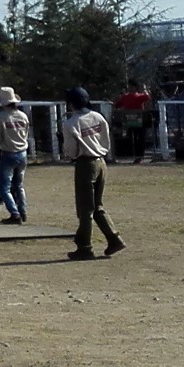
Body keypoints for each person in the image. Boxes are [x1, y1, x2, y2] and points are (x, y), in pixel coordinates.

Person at [61, 86, 125, 261]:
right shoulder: (98, 117)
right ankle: (114, 238)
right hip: (101, 161)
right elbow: (106, 139)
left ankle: (85, 247)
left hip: (85, 164)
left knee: (85, 209)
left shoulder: (70, 123)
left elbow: (72, 151)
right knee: (97, 206)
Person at [0, 88, 31, 224]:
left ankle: (14, 214)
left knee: (3, 186)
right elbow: (26, 133)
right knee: (19, 185)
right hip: (22, 153)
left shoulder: (0, 117)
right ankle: (23, 211)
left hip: (8, 153)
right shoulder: (23, 116)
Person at [114, 81, 152, 163]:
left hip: (136, 121)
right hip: (132, 121)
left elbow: (117, 104)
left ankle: (138, 156)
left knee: (137, 139)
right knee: (135, 139)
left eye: (131, 86)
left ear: (135, 87)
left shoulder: (136, 96)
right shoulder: (127, 97)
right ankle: (137, 156)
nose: (130, 88)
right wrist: (145, 89)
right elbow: (117, 105)